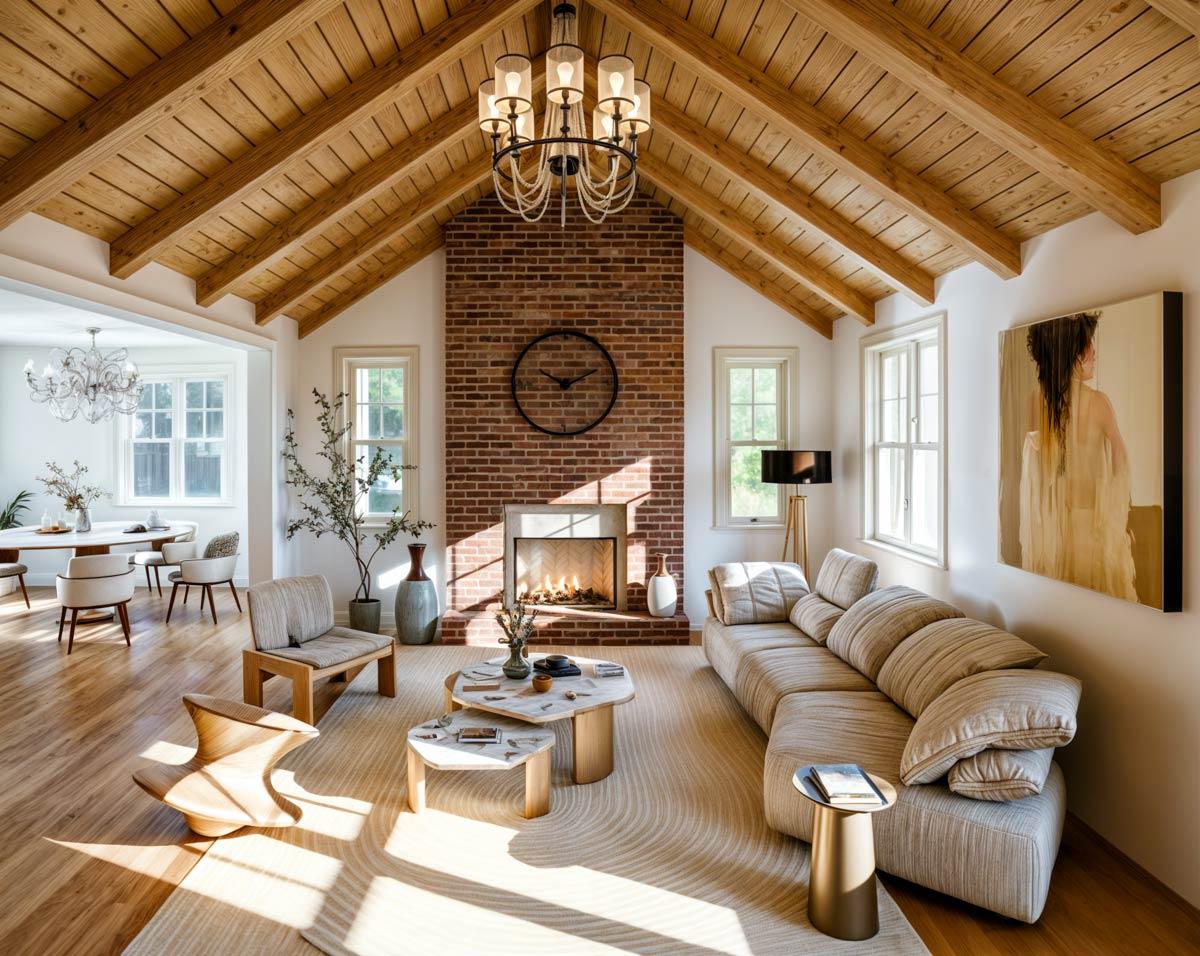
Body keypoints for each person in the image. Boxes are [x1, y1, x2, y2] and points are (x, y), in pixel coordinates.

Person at [1018, 311, 1136, 600]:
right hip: (1085, 530)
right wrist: (1113, 511)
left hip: (1056, 534)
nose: (1094, 352)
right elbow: (1121, 461)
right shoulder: (1098, 403)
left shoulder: (1037, 402)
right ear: (1073, 353)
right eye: (1087, 345)